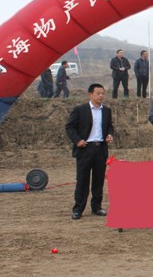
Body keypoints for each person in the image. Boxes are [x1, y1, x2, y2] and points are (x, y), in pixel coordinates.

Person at [65, 83, 114, 220]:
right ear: (90, 94)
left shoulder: (107, 111)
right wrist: (77, 140)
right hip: (85, 149)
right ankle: (78, 209)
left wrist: (109, 134)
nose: (101, 96)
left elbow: (109, 126)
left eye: (103, 93)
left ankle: (97, 207)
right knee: (82, 180)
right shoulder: (80, 110)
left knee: (98, 180)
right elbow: (69, 127)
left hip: (100, 149)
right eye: (98, 93)